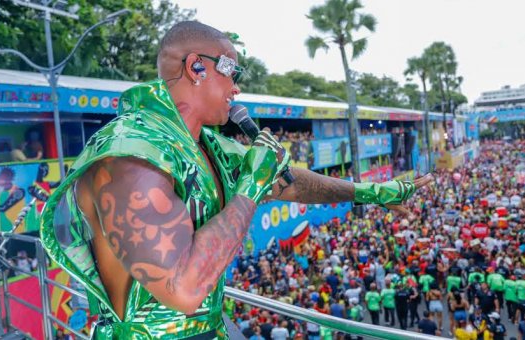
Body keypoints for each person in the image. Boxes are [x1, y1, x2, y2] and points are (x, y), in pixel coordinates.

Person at [39, 21, 432, 339]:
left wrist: (374, 192)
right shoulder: (128, 154)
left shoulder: (206, 145)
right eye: (233, 71)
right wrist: (249, 186)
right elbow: (184, 291)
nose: (237, 87)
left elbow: (290, 182)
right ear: (196, 67)